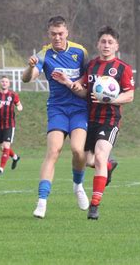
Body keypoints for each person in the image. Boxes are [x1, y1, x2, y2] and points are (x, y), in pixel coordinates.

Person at [53, 26, 135, 220]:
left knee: (98, 157)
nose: (106, 45)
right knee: (88, 160)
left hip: (109, 120)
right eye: (103, 42)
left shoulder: (123, 68)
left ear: (116, 45)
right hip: (88, 120)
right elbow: (83, 91)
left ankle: (94, 206)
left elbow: (130, 95)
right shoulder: (91, 66)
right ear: (98, 44)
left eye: (110, 42)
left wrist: (110, 99)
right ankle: (108, 166)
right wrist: (68, 83)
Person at [22, 16, 90, 219]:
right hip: (57, 109)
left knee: (78, 150)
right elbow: (28, 79)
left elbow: (88, 77)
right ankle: (42, 201)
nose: (57, 37)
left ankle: (77, 185)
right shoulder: (44, 54)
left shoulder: (80, 51)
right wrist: (30, 66)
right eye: (53, 34)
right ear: (48, 34)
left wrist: (73, 83)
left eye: (60, 34)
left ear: (67, 33)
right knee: (53, 151)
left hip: (79, 108)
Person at [0, 76, 23, 176]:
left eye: (6, 82)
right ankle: (15, 157)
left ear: (9, 84)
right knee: (3, 148)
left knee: (6, 146)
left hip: (9, 124)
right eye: (2, 81)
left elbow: (19, 105)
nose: (4, 83)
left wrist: (19, 107)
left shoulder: (13, 95)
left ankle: (1, 169)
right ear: (0, 83)